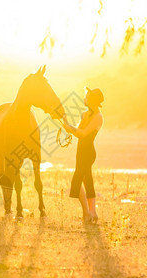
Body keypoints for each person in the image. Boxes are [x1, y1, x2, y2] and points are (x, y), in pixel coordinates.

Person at [63, 87, 104, 224]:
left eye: (86, 97)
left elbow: (83, 133)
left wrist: (69, 126)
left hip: (88, 153)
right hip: (80, 152)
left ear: (91, 100)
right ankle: (93, 213)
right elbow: (77, 131)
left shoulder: (98, 117)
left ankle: (87, 212)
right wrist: (66, 124)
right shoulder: (85, 114)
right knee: (87, 181)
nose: (84, 99)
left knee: (76, 182)